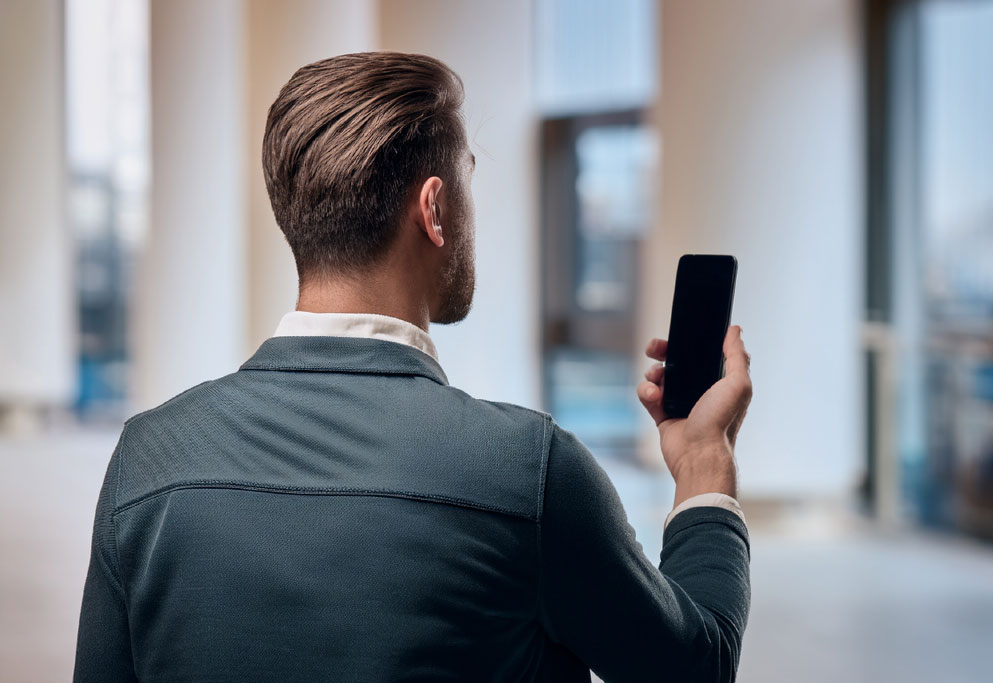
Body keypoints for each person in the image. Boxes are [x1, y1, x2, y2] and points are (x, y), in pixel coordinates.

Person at [73, 51, 753, 682]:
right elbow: (694, 666)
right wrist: (703, 466)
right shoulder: (528, 471)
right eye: (468, 181)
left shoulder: (149, 458)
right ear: (434, 208)